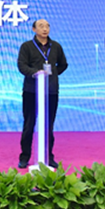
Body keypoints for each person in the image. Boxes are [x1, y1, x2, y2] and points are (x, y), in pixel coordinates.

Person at [17, 19, 68, 169]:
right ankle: (25, 157)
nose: (45, 29)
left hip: (50, 91)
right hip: (31, 91)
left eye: (47, 26)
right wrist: (36, 73)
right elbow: (21, 65)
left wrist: (52, 75)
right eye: (41, 26)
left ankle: (48, 156)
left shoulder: (56, 46)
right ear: (34, 29)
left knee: (48, 126)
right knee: (29, 124)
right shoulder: (27, 46)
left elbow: (63, 64)